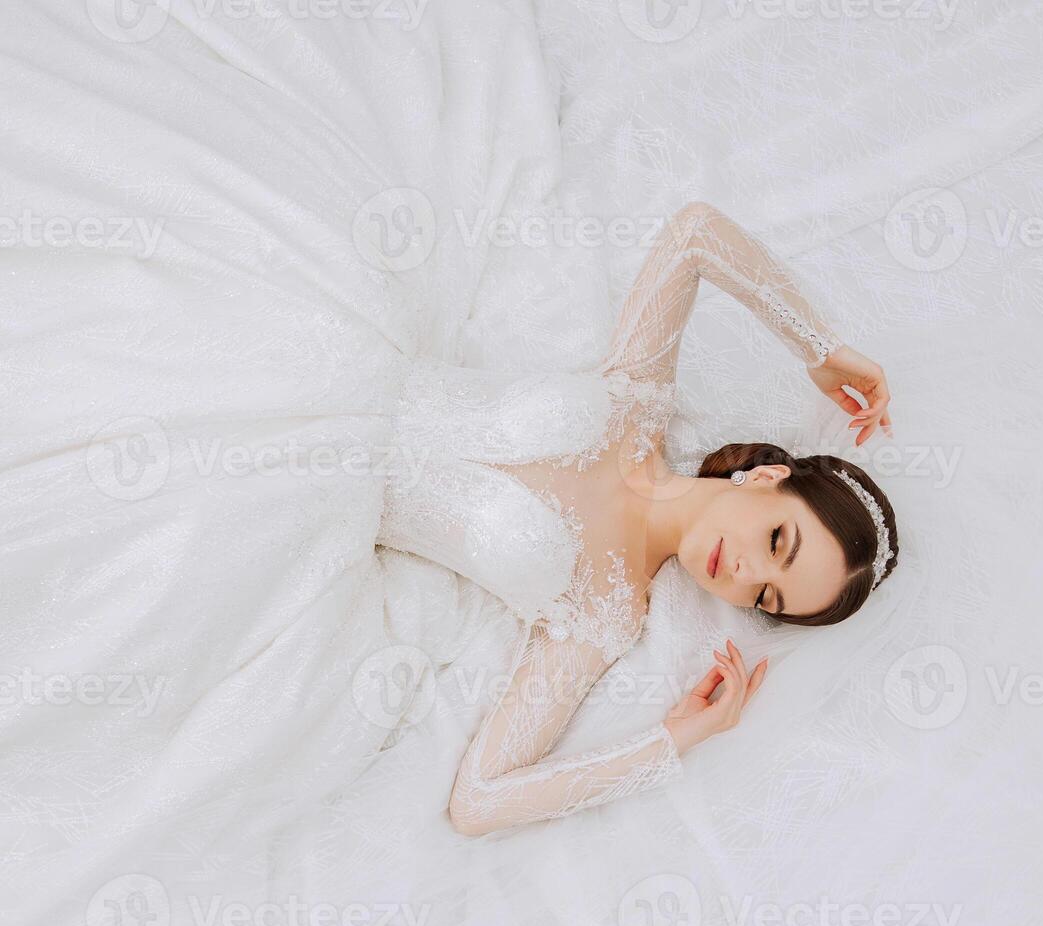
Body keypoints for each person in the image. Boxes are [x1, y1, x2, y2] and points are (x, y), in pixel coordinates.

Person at [377, 202, 898, 837]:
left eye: (765, 594)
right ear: (766, 478)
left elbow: (479, 802)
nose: (742, 571)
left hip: (313, 501)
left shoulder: (606, 612)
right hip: (346, 373)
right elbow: (696, 234)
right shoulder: (635, 400)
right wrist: (822, 349)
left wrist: (674, 739)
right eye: (776, 540)